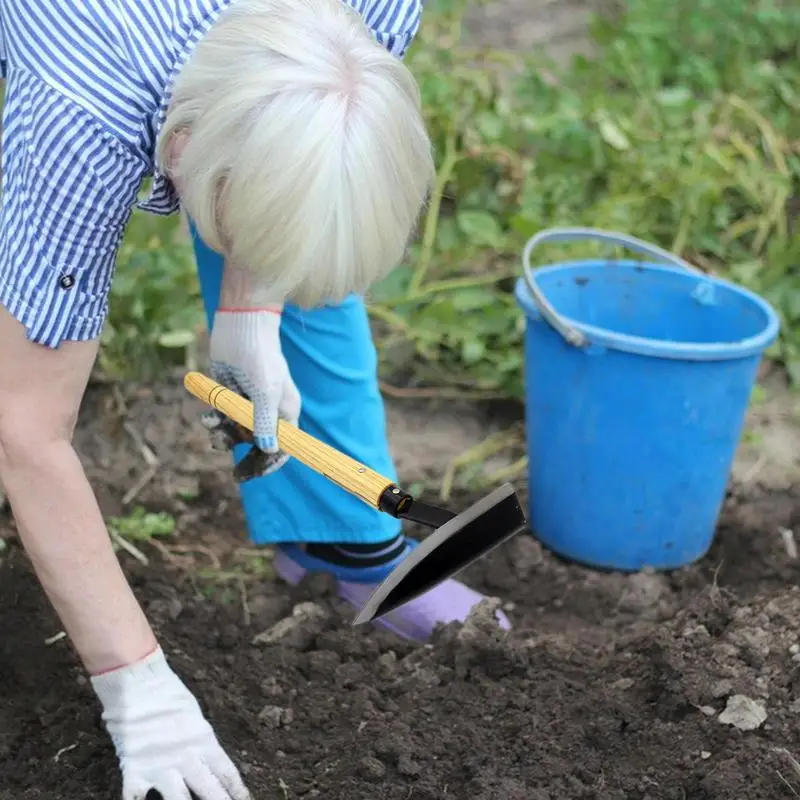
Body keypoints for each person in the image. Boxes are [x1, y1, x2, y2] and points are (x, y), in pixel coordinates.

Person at [0, 0, 510, 799]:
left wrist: (251, 310)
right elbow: (23, 429)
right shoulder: (82, 114)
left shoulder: (374, 14)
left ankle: (340, 542)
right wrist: (141, 695)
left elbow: (288, 171)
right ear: (179, 152)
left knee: (306, 200)